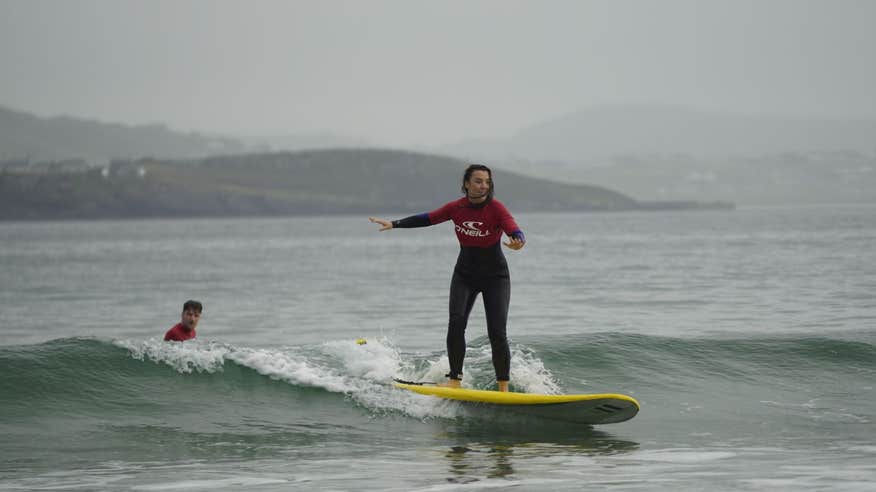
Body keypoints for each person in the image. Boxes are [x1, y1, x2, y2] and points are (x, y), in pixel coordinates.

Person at [369, 164, 525, 392]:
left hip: (496, 277)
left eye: (487, 182)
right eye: (479, 181)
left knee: (497, 332)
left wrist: (518, 240)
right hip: (464, 274)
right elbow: (428, 218)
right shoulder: (456, 208)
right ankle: (455, 380)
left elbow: (513, 228)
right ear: (466, 184)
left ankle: (503, 387)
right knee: (456, 324)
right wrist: (394, 224)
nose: (484, 186)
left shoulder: (496, 209)